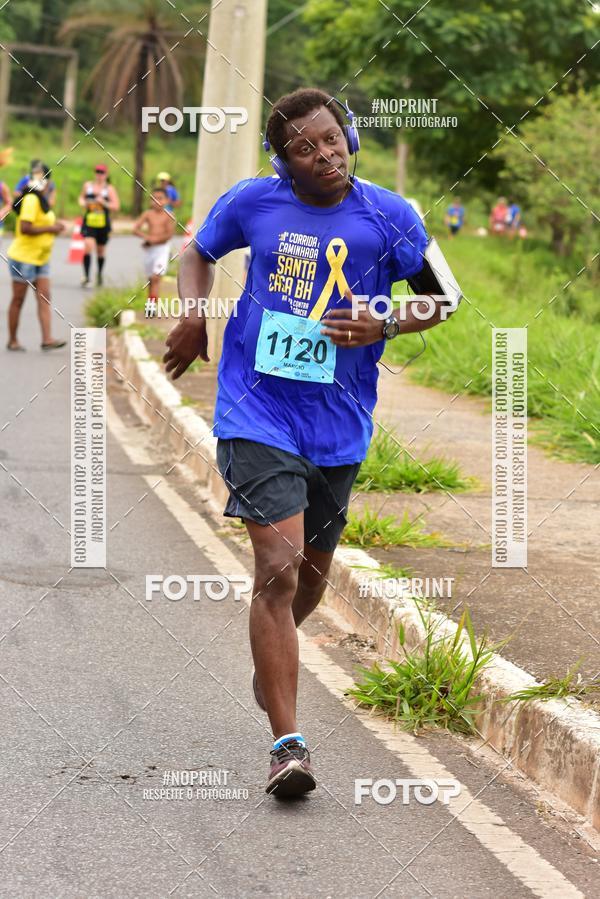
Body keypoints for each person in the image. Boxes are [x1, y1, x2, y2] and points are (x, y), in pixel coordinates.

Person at [163, 88, 459, 798]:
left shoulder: (392, 216)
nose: (324, 155)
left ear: (348, 137)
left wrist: (384, 319)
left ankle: (273, 660)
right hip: (255, 411)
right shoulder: (254, 202)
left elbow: (443, 297)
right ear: (283, 161)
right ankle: (287, 746)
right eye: (306, 147)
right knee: (279, 564)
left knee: (312, 579)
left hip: (339, 424)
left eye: (331, 139)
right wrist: (192, 315)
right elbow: (195, 250)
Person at [6, 164, 66, 351]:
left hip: (41, 258)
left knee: (44, 297)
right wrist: (52, 228)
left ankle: (47, 339)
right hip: (23, 258)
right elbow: (25, 227)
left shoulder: (42, 200)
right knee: (19, 299)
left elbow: (41, 221)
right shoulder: (32, 198)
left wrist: (55, 225)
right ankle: (13, 340)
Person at [133, 187, 176, 315]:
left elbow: (168, 235)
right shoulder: (148, 214)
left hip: (162, 249)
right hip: (150, 250)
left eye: (160, 198)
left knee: (156, 277)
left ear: (167, 200)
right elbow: (135, 229)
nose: (157, 201)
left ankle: (152, 308)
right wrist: (147, 238)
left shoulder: (169, 215)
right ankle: (150, 302)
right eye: (154, 198)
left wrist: (154, 240)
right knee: (150, 279)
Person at [78, 164, 120, 287]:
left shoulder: (109, 189)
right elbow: (81, 198)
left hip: (103, 223)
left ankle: (100, 274)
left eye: (102, 172)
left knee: (100, 251)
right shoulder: (88, 186)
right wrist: (83, 203)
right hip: (89, 222)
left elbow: (116, 206)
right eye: (97, 172)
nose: (99, 175)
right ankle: (86, 276)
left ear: (106, 175)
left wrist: (104, 203)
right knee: (88, 246)